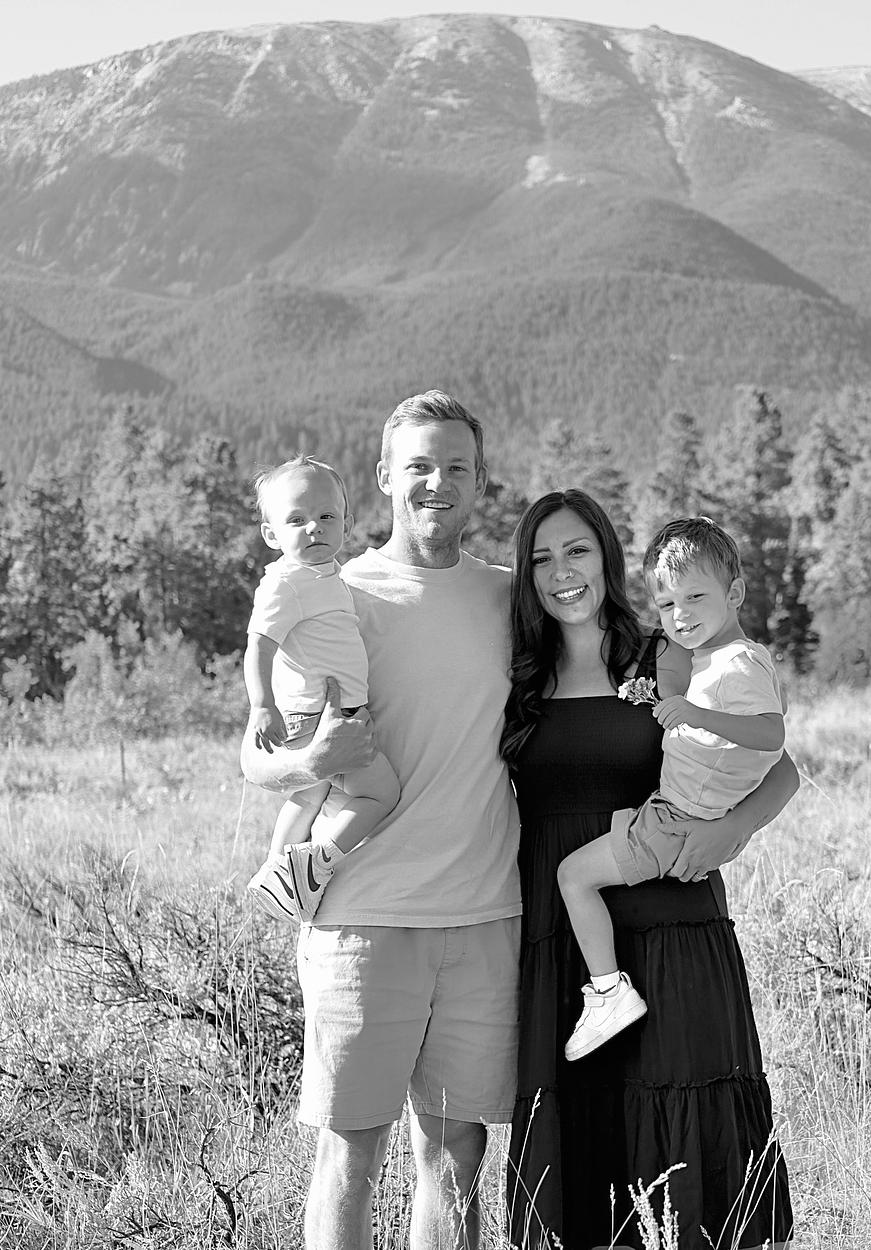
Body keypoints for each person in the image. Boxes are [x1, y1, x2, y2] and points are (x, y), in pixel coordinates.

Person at [239, 392, 520, 1250]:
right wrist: (307, 764)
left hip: (483, 918)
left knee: (457, 1158)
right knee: (350, 1157)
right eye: (419, 466)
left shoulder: (511, 600)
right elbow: (257, 758)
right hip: (361, 919)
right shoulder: (333, 589)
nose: (438, 482)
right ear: (384, 477)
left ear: (480, 481)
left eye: (457, 466)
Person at [500, 489, 795, 1250]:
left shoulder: (665, 651)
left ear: (608, 556)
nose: (562, 572)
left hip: (673, 923)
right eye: (542, 558)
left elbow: (779, 763)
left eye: (578, 551)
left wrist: (733, 829)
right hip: (566, 938)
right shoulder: (518, 674)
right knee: (583, 1141)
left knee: (685, 1132)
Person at [556, 517, 785, 1060]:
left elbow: (772, 738)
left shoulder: (738, 662)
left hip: (676, 824)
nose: (680, 615)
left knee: (574, 877)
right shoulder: (710, 659)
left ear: (735, 594)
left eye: (695, 598)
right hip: (669, 813)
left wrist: (696, 716)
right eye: (666, 604)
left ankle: (608, 993)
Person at [244, 454, 400, 921]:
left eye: (326, 516)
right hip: (319, 716)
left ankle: (278, 868)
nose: (314, 527)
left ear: (346, 525)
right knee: (381, 794)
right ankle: (317, 862)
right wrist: (261, 705)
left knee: (309, 795)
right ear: (272, 535)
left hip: (322, 712)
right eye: (297, 520)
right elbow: (259, 646)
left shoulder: (327, 575)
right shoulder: (286, 583)